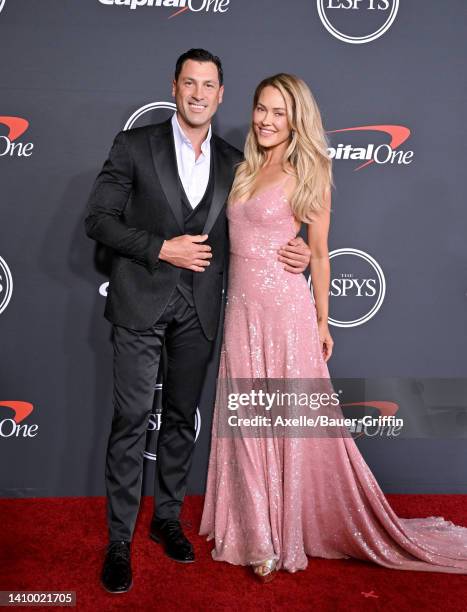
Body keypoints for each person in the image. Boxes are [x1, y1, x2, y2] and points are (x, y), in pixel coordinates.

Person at [199, 73, 467, 582]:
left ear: (296, 119)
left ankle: (280, 532)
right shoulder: (242, 168)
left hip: (285, 311)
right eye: (261, 109)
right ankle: (255, 530)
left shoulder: (310, 170)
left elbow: (318, 253)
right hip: (242, 310)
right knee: (245, 417)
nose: (266, 120)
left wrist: (323, 320)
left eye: (278, 112)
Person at [85, 50, 311, 593]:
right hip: (141, 304)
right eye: (190, 83)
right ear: (175, 86)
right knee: (132, 419)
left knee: (182, 419)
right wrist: (162, 248)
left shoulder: (238, 162)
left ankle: (167, 519)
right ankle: (119, 540)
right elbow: (98, 219)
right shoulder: (135, 146)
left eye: (209, 85)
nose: (198, 93)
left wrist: (299, 249)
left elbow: (262, 222)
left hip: (202, 311)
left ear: (221, 94)